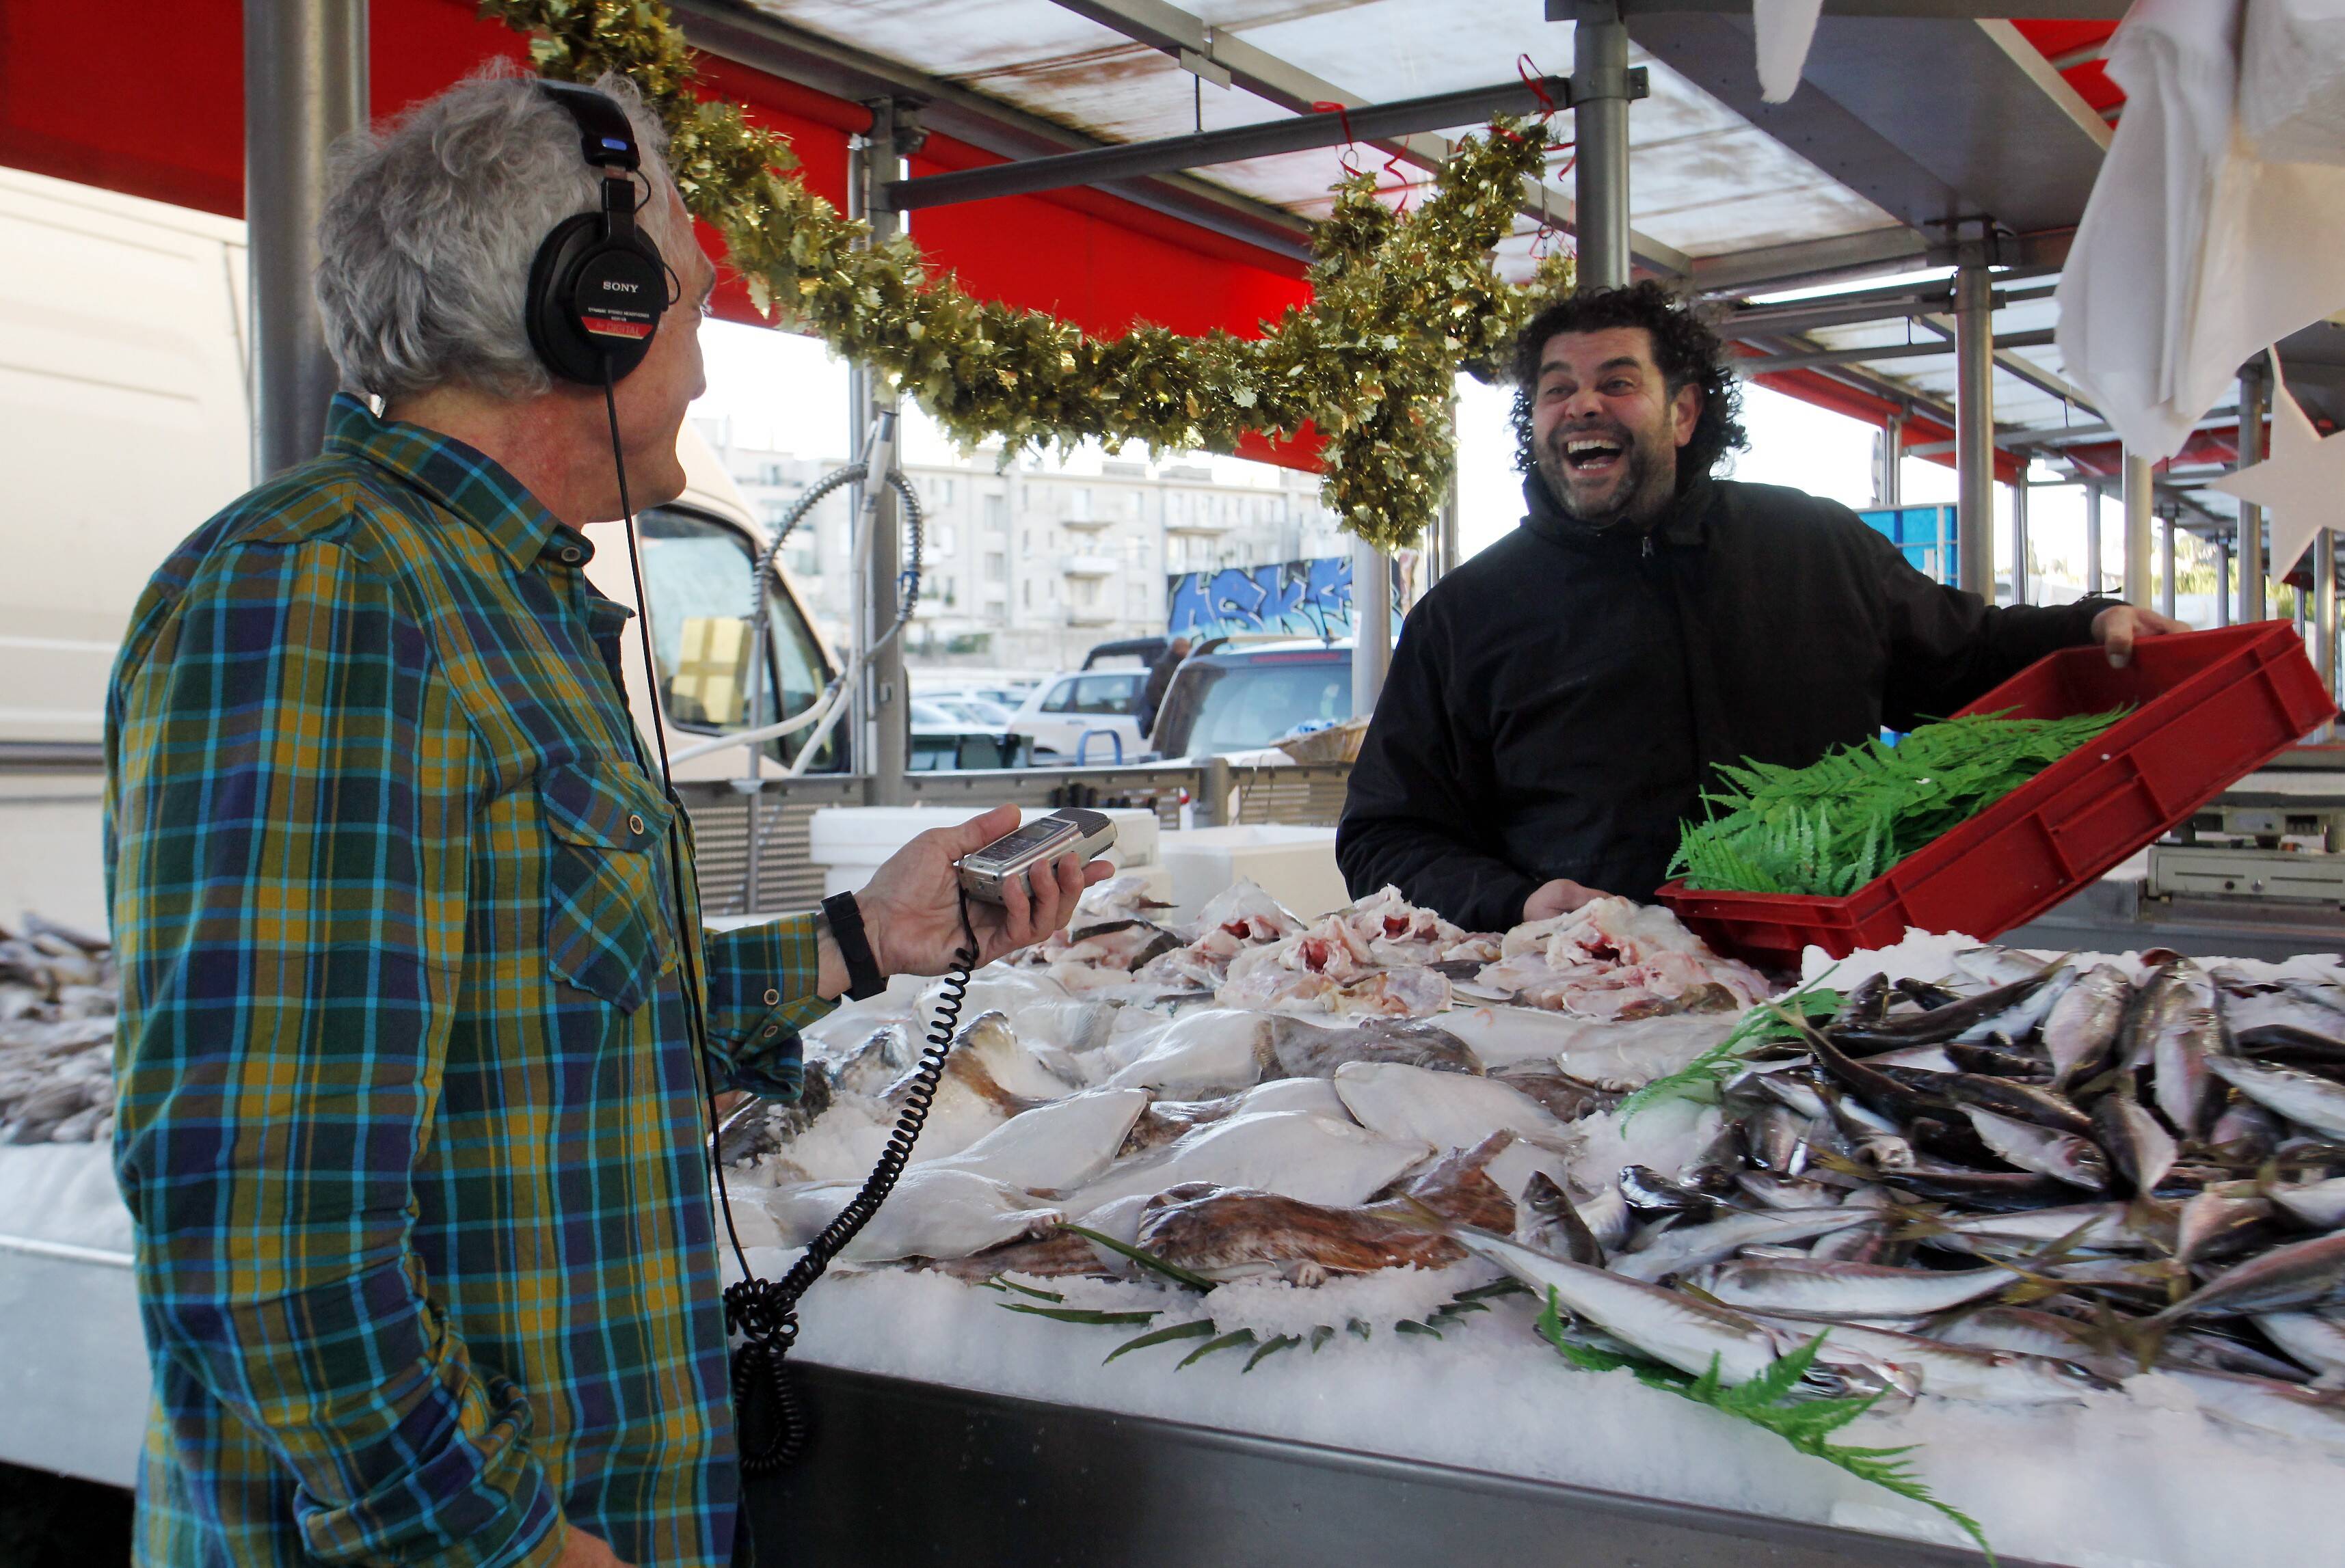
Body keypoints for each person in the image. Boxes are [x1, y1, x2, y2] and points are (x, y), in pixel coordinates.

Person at [104, 72, 1106, 1568]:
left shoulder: (497, 602)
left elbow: (554, 1026)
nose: (703, 364)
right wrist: (500, 1543)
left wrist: (863, 936)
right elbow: (260, 1222)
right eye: (693, 303)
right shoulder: (323, 597)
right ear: (595, 309)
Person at [1337, 281, 2186, 934]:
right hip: (1587, 994)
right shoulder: (1466, 613)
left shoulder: (1811, 542)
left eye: (1616, 381)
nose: (1581, 404)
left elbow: (1964, 656)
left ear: (1684, 410)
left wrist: (2088, 625)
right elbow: (1385, 834)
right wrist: (1520, 903)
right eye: (1556, 389)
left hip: (1831, 971)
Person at [1138, 634, 1192, 737]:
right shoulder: (1164, 666)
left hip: (1175, 718)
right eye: (1187, 648)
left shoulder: (1181, 665)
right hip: (1166, 720)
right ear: (1180, 649)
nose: (1189, 651)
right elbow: (1153, 691)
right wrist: (1170, 708)